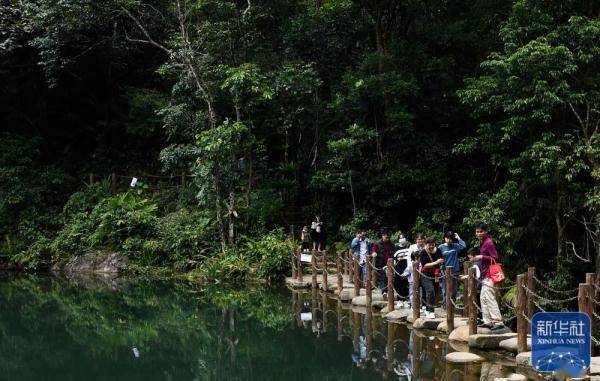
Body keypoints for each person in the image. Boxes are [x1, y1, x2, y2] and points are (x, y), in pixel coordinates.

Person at [472, 222, 504, 331]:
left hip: (490, 274)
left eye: (481, 231)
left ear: (485, 231)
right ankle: (488, 321)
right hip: (485, 274)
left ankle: (498, 321)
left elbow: (495, 257)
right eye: (477, 231)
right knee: (483, 297)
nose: (479, 233)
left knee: (489, 297)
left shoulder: (488, 242)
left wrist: (481, 256)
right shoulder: (483, 242)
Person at [438, 230, 467, 309]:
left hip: (455, 271)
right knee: (445, 290)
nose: (449, 240)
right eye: (447, 238)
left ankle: (452, 306)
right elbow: (437, 259)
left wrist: (458, 238)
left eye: (451, 239)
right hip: (444, 272)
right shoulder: (440, 247)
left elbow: (464, 246)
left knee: (454, 291)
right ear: (445, 238)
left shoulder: (455, 246)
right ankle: (445, 306)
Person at [419, 237, 443, 318]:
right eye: (429, 245)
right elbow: (425, 265)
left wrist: (440, 264)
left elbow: (441, 260)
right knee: (430, 290)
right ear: (426, 244)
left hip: (435, 275)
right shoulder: (423, 252)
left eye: (433, 244)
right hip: (425, 275)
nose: (431, 246)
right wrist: (436, 262)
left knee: (435, 292)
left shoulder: (438, 250)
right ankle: (430, 311)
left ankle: (427, 308)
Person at [372, 229, 397, 297]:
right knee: (383, 277)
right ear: (383, 236)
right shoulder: (377, 243)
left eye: (389, 237)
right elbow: (374, 251)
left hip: (390, 264)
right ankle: (384, 292)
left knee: (390, 277)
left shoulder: (392, 244)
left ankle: (389, 291)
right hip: (381, 263)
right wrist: (374, 253)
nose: (387, 239)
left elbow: (394, 253)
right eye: (386, 237)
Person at [393, 235, 411, 302]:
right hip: (398, 267)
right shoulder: (395, 248)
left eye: (403, 237)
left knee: (406, 283)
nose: (402, 239)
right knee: (398, 283)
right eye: (400, 238)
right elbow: (394, 259)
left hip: (407, 267)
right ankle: (400, 300)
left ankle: (406, 299)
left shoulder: (409, 247)